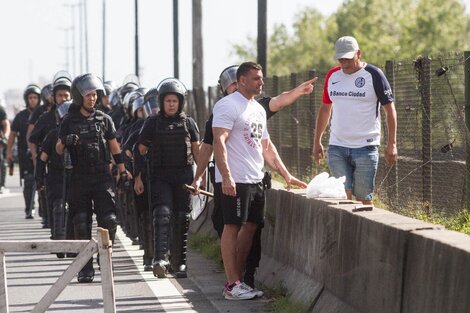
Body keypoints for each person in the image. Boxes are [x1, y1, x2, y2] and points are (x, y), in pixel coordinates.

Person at [191, 65, 316, 288]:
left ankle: (240, 279)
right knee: (232, 226)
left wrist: (286, 175)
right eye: (256, 79)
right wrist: (218, 176)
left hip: (255, 179)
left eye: (261, 78)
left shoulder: (257, 108)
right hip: (234, 179)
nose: (261, 82)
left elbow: (266, 146)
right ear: (241, 81)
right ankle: (232, 283)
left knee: (251, 227)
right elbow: (214, 144)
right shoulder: (226, 106)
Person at [56, 73, 131, 283]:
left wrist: (123, 171)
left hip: (101, 176)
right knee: (81, 222)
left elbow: (115, 147)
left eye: (95, 95)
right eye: (88, 95)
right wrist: (66, 140)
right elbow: (58, 149)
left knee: (109, 220)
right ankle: (84, 266)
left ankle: (105, 259)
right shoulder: (69, 120)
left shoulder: (104, 119)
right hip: (79, 176)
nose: (92, 98)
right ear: (79, 97)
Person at [313, 36, 398, 205]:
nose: (344, 63)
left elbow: (390, 111)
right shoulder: (332, 75)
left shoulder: (374, 75)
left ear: (358, 53)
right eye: (341, 59)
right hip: (337, 146)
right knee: (341, 197)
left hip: (365, 147)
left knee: (363, 200)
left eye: (348, 58)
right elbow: (325, 109)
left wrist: (392, 144)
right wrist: (317, 141)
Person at [137, 78, 200, 279]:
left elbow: (199, 154)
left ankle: (179, 262)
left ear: (180, 102)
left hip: (184, 176)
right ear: (162, 102)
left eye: (175, 101)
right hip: (160, 177)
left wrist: (199, 179)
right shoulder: (152, 123)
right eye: (168, 101)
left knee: (182, 218)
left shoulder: (189, 123)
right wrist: (139, 175)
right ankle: (159, 259)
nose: (171, 104)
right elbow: (140, 150)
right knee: (162, 215)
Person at [30, 71, 72, 228]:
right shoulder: (46, 118)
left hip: (76, 171)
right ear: (54, 97)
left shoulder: (79, 117)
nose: (64, 98)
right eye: (60, 95)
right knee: (56, 206)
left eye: (66, 95)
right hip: (53, 168)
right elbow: (33, 139)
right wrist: (38, 158)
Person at [35, 100, 71, 252]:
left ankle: (74, 243)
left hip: (77, 176)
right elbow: (42, 158)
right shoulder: (52, 135)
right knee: (57, 206)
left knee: (77, 212)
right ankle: (57, 239)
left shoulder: (82, 132)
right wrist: (39, 177)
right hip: (56, 176)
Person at [6, 84, 41, 218]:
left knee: (43, 183)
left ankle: (43, 210)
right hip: (25, 156)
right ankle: (29, 208)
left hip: (41, 154)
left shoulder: (43, 114)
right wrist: (9, 152)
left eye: (35, 97)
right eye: (30, 97)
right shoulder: (20, 116)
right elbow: (12, 135)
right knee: (29, 182)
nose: (33, 100)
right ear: (26, 99)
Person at [0, 104, 10, 193]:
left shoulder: (0, 109)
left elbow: (6, 124)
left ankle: (1, 184)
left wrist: (5, 137)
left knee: (1, 160)